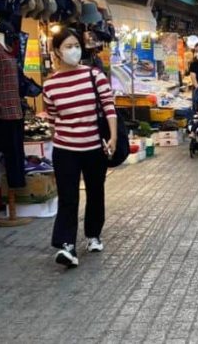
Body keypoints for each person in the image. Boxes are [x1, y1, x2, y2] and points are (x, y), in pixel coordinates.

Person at [43, 29, 117, 269]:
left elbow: (109, 108)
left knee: (95, 191)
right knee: (68, 197)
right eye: (68, 46)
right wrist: (62, 137)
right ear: (57, 51)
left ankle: (93, 235)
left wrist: (113, 137)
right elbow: (53, 119)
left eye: (76, 45)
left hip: (94, 146)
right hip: (65, 149)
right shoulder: (50, 85)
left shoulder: (94, 76)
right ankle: (67, 245)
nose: (74, 50)